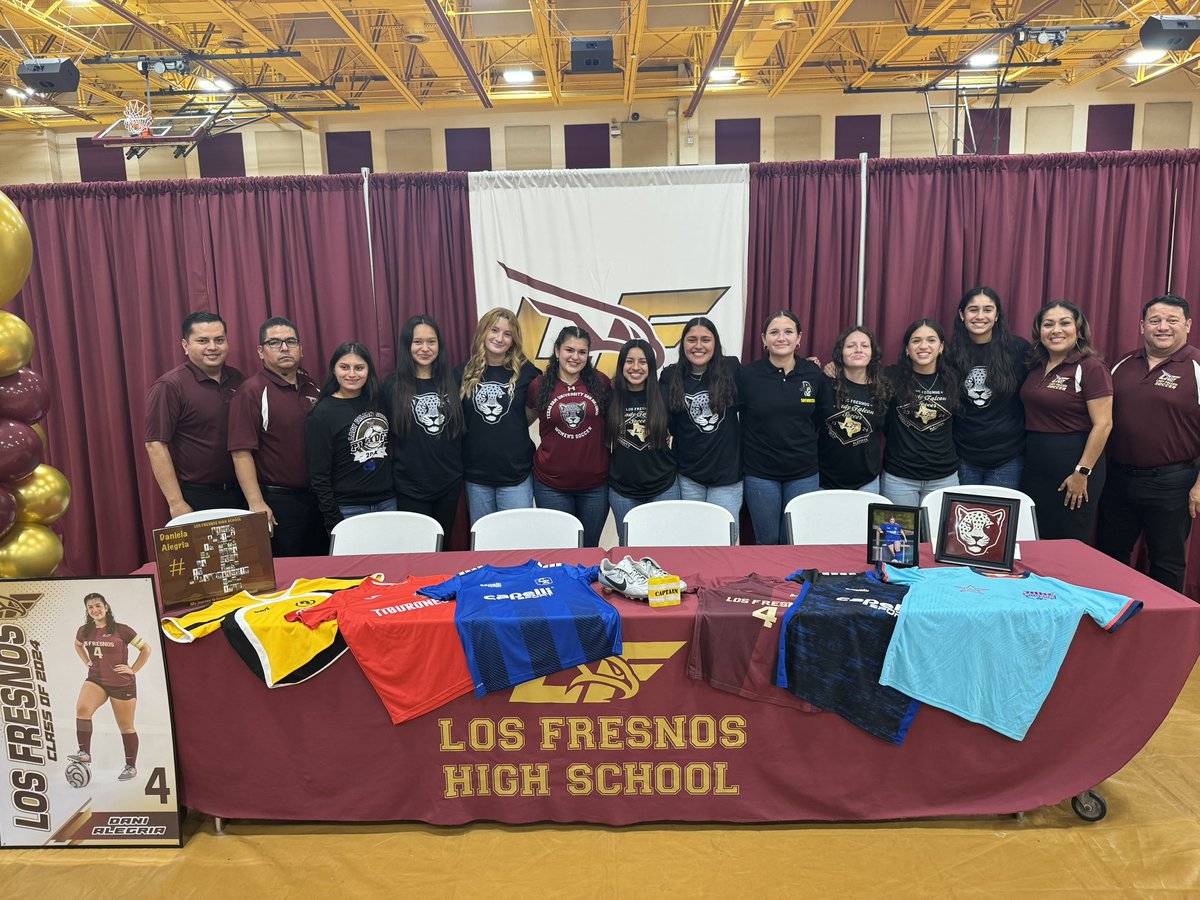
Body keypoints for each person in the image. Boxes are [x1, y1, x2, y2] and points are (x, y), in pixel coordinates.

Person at [1098, 294, 1200, 591]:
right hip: (1117, 478)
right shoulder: (1123, 364)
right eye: (1155, 321)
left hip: (1171, 483)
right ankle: (1111, 620)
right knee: (1110, 555)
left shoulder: (1196, 367)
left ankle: (1164, 634)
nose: (1162, 327)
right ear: (1142, 326)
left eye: (1172, 320)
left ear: (1188, 325)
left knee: (1166, 561)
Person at [227, 316, 327, 557]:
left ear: (301, 349)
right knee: (286, 574)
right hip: (278, 502)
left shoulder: (312, 387)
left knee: (320, 571)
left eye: (290, 341)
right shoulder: (251, 391)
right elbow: (241, 452)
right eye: (274, 343)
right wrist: (257, 503)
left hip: (316, 499)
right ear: (261, 351)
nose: (284, 348)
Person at [1019, 300, 1113, 543]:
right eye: (1048, 324)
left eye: (1065, 323)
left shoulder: (1090, 367)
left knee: (1068, 541)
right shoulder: (1036, 366)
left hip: (1074, 466)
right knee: (1037, 538)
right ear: (1039, 332)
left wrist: (1082, 472)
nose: (1056, 330)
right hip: (1035, 466)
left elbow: (1103, 424)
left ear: (1079, 330)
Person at [737, 311, 833, 545]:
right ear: (763, 339)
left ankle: (794, 584)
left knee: (796, 540)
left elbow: (822, 417)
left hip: (804, 472)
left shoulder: (813, 374)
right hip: (760, 473)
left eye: (788, 332)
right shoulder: (747, 375)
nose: (781, 338)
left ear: (799, 338)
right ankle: (768, 584)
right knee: (767, 541)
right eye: (774, 332)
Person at [145, 311, 245, 520]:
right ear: (185, 345)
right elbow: (155, 445)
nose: (212, 347)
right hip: (196, 497)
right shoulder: (170, 386)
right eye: (202, 340)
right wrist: (176, 502)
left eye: (219, 340)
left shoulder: (238, 379)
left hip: (241, 493)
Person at [526, 326, 611, 547]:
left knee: (590, 548)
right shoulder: (539, 385)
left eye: (582, 352)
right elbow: (523, 421)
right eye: (569, 350)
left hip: (595, 486)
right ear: (556, 351)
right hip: (551, 485)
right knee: (561, 549)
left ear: (588, 355)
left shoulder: (601, 382)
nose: (575, 357)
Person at [659, 317, 743, 539]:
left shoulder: (732, 367)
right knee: (690, 540)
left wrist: (806, 365)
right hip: (688, 475)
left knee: (723, 541)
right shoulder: (670, 375)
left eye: (705, 339)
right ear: (683, 344)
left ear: (715, 343)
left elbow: (763, 384)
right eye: (691, 340)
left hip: (727, 477)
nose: (698, 346)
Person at [384, 316, 464, 541]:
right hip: (409, 485)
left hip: (448, 482)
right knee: (417, 549)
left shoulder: (454, 381)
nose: (425, 348)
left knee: (442, 544)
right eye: (418, 342)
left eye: (431, 341)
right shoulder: (392, 386)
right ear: (407, 345)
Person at [457, 308, 541, 524]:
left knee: (516, 542)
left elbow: (532, 411)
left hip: (516, 475)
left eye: (507, 334)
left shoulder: (527, 372)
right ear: (483, 332)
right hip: (476, 475)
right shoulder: (463, 373)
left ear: (514, 340)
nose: (499, 338)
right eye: (494, 330)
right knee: (485, 541)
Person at [305, 342, 394, 534]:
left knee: (389, 563)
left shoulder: (379, 400)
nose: (352, 374)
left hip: (387, 502)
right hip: (348, 508)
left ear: (368, 370)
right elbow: (319, 475)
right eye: (344, 367)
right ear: (334, 370)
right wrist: (333, 518)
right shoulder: (322, 413)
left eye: (359, 368)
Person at [946, 287, 1030, 489]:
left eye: (988, 309)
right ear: (962, 314)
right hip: (964, 455)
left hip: (1007, 457)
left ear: (997, 315)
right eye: (973, 309)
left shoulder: (1018, 349)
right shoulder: (950, 353)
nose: (980, 316)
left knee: (998, 519)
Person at [70, 593, 150, 782]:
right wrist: (86, 661)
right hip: (96, 680)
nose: (94, 610)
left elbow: (146, 649)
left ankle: (131, 767)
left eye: (98, 605)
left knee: (126, 727)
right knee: (82, 709)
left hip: (121, 684)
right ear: (87, 611)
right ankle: (84, 753)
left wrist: (133, 669)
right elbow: (77, 645)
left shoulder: (122, 630)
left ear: (106, 607)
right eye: (90, 607)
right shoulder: (84, 630)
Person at [881, 319, 960, 506]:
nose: (923, 346)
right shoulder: (889, 377)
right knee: (901, 535)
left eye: (931, 340)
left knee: (939, 536)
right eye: (916, 341)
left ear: (941, 347)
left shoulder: (955, 379)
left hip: (944, 478)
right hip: (899, 479)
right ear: (907, 349)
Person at [606, 339, 678, 541]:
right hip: (623, 491)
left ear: (651, 366)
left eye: (642, 362)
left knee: (665, 546)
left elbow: (684, 434)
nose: (635, 367)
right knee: (629, 547)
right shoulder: (610, 397)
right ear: (621, 365)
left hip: (664, 487)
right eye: (629, 361)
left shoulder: (665, 394)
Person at [819, 326, 889, 494]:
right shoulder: (824, 384)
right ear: (840, 352)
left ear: (872, 352)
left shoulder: (883, 390)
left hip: (867, 482)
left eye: (864, 345)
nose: (858, 350)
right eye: (851, 346)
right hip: (825, 481)